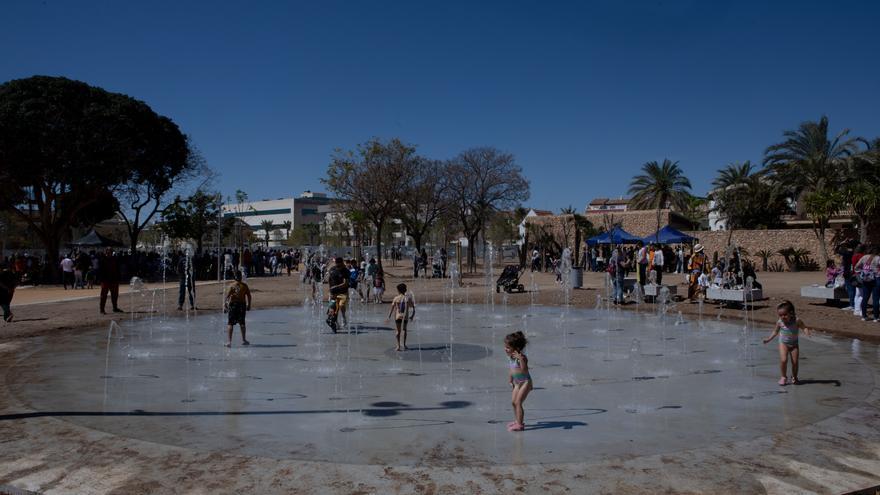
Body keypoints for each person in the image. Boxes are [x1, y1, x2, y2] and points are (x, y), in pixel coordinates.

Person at [762, 300, 812, 385]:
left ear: (791, 313)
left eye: (785, 315)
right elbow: (775, 332)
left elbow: (804, 327)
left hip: (794, 345)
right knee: (783, 360)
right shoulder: (780, 322)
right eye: (780, 315)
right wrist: (768, 339)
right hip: (783, 343)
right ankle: (783, 377)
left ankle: (794, 377)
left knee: (795, 362)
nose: (782, 317)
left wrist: (806, 331)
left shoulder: (797, 320)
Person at [504, 331, 532, 432]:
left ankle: (520, 425)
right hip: (517, 383)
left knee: (518, 402)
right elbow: (511, 369)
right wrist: (510, 379)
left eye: (508, 347)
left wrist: (521, 359)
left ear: (517, 349)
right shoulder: (511, 357)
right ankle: (517, 420)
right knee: (513, 403)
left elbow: (524, 371)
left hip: (525, 382)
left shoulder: (522, 358)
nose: (505, 349)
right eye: (505, 347)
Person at [224, 270, 251, 347]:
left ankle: (229, 341)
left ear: (234, 277)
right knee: (242, 323)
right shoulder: (244, 286)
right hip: (242, 305)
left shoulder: (232, 286)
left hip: (233, 305)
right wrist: (249, 305)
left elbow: (227, 296)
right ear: (241, 277)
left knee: (230, 323)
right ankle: (244, 340)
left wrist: (225, 305)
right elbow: (249, 296)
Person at [854, 246, 879, 322]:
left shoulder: (864, 257)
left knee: (865, 297)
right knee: (876, 299)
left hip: (865, 279)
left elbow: (856, 267)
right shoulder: (878, 258)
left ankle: (864, 316)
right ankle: (876, 317)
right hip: (876, 279)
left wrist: (862, 273)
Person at [386, 283, 415, 351]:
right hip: (405, 317)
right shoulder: (407, 298)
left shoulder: (396, 298)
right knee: (404, 330)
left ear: (398, 290)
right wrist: (412, 315)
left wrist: (389, 317)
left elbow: (392, 308)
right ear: (405, 290)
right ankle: (404, 345)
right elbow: (412, 307)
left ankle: (398, 346)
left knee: (398, 331)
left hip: (398, 317)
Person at [98, 248, 123, 314]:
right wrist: (101, 279)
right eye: (108, 252)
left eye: (110, 252)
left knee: (115, 295)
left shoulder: (115, 259)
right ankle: (102, 310)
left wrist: (118, 278)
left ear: (112, 252)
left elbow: (118, 269)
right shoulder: (102, 259)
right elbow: (100, 270)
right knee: (103, 295)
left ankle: (115, 308)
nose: (109, 253)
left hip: (114, 279)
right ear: (106, 252)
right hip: (105, 280)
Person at [327, 257, 349, 328]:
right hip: (333, 292)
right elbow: (329, 280)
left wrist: (336, 287)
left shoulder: (345, 271)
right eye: (337, 265)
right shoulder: (332, 269)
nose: (338, 267)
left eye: (339, 265)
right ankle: (335, 323)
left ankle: (343, 317)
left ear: (342, 263)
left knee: (341, 305)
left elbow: (345, 283)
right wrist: (330, 290)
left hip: (343, 292)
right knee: (333, 308)